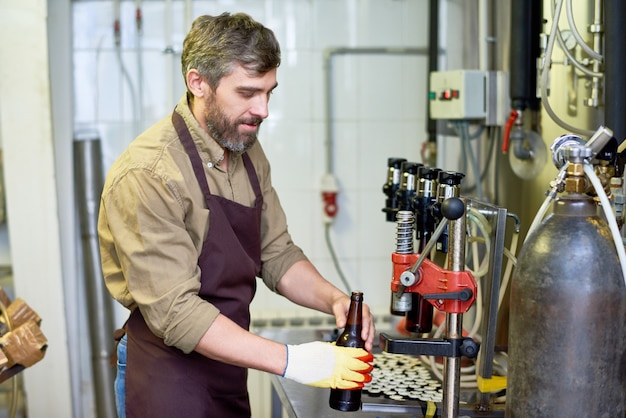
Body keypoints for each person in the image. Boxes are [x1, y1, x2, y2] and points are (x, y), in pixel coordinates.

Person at [97, 12, 376, 418]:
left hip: (227, 366)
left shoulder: (244, 148)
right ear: (198, 83)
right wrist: (294, 361)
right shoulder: (148, 173)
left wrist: (334, 299)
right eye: (247, 92)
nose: (262, 110)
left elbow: (276, 252)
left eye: (269, 92)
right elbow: (176, 313)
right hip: (167, 373)